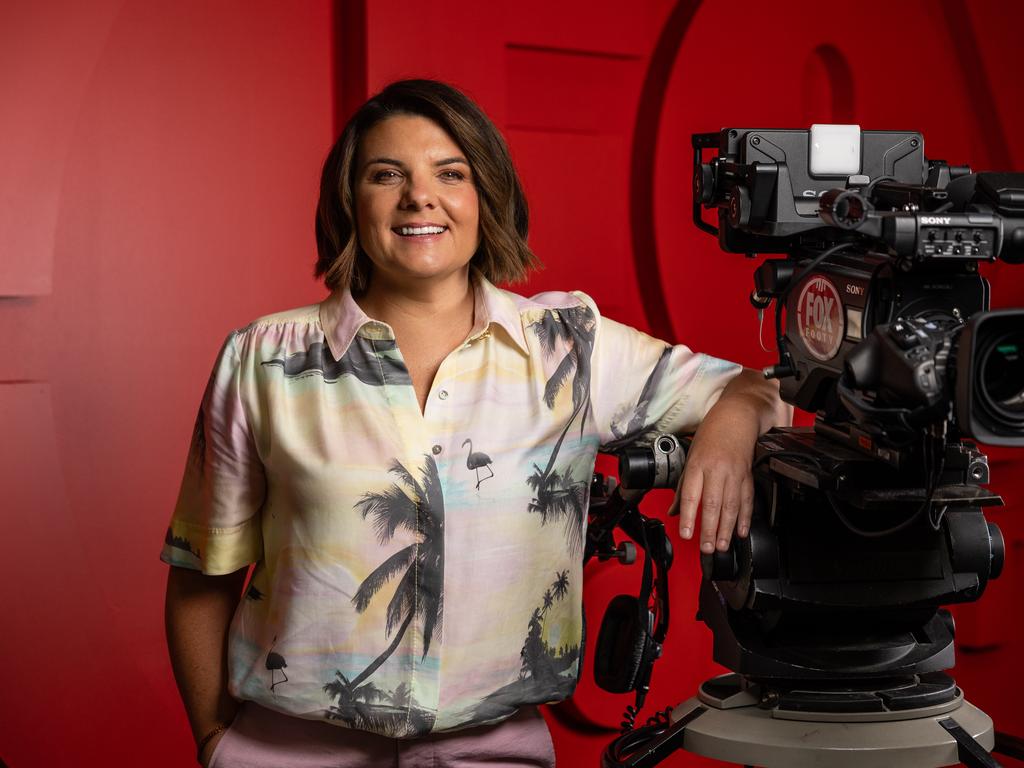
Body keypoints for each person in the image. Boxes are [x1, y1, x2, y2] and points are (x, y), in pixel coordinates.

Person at [163, 79, 789, 768]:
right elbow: (201, 575)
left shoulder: (568, 345)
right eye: (386, 175)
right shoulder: (263, 359)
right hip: (288, 750)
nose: (419, 197)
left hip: (495, 752)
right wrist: (214, 742)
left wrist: (730, 430)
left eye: (449, 173)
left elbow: (755, 387)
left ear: (484, 195)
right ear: (350, 201)